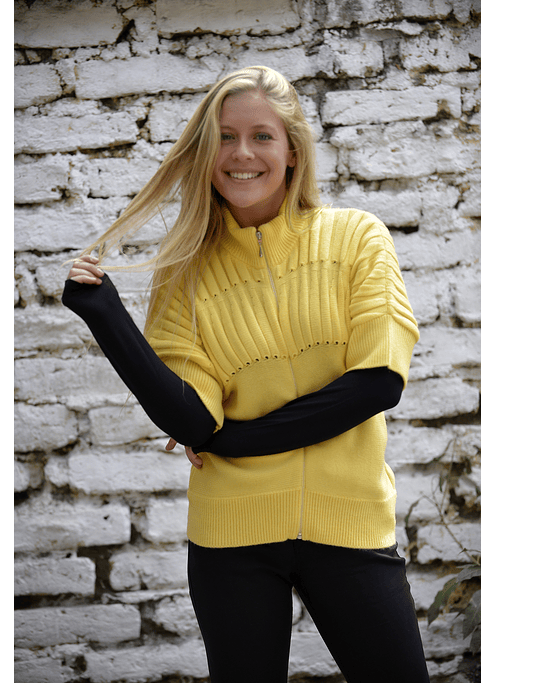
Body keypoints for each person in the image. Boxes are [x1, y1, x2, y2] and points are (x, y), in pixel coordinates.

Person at [63, 66, 430, 682]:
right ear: (205, 153)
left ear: (293, 151)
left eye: (262, 136)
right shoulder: (184, 273)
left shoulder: (356, 239)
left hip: (350, 522)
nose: (241, 154)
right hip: (231, 538)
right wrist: (106, 317)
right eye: (225, 138)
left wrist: (232, 441)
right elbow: (191, 419)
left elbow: (376, 383)